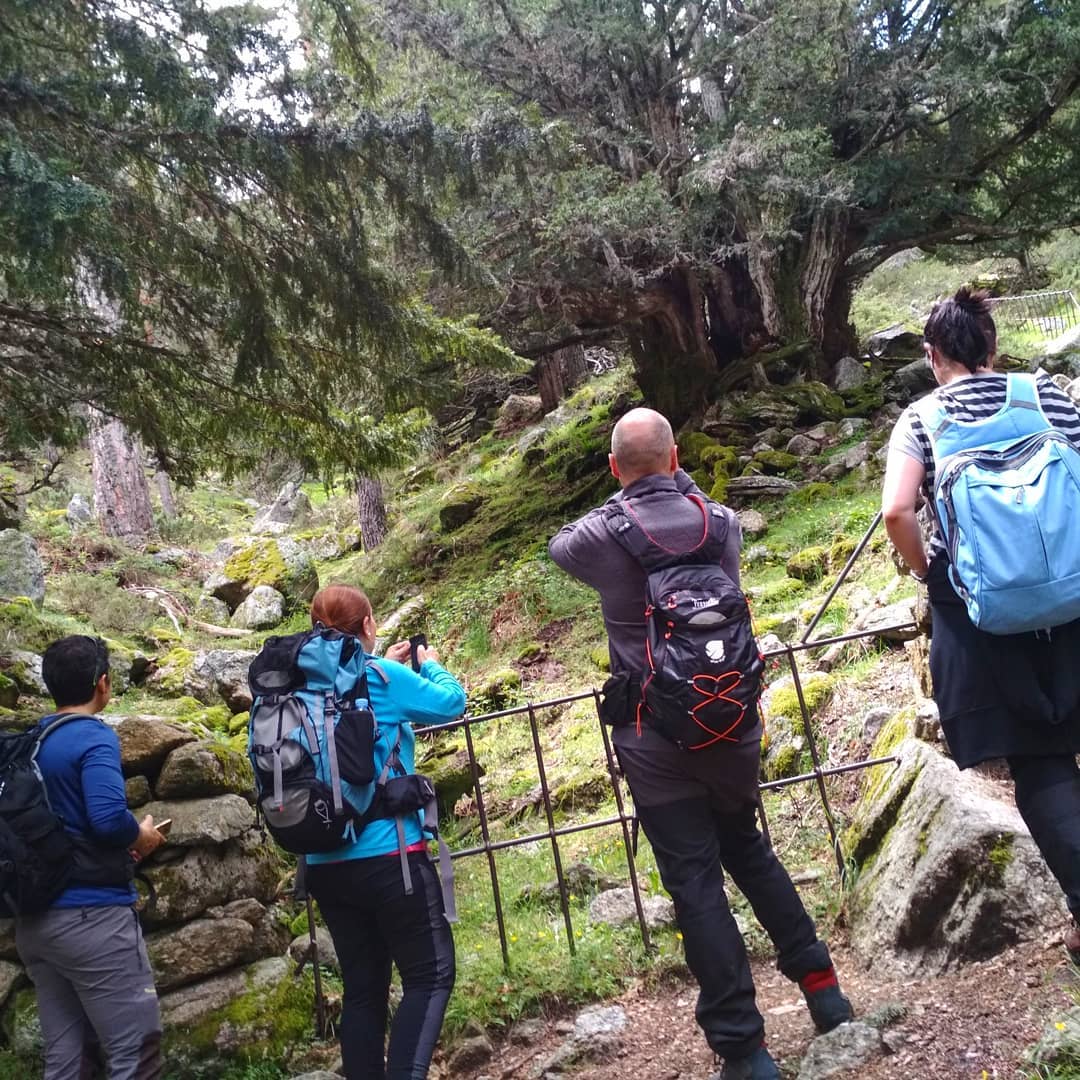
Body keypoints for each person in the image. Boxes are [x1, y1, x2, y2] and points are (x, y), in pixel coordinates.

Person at [549, 408, 851, 1080]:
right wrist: (675, 481)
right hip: (732, 725)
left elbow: (558, 545)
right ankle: (822, 988)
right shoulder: (722, 521)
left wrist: (625, 494)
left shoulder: (601, 535)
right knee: (749, 850)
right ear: (677, 456)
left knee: (694, 881)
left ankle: (745, 1050)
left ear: (613, 468)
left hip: (654, 740)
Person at [882, 286, 1080, 963]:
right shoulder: (1045, 394)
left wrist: (929, 573)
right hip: (1073, 596)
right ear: (993, 347)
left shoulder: (921, 419)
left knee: (1040, 762)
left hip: (983, 613)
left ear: (931, 354)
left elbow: (897, 512)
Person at [301, 584, 465, 1080]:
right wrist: (429, 665)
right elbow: (452, 703)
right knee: (430, 976)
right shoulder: (381, 677)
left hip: (323, 864)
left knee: (363, 991)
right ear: (368, 625)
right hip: (391, 859)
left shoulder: (291, 688)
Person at [15, 635, 166, 1080]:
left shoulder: (30, 742)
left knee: (68, 1060)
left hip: (35, 922)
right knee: (135, 1055)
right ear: (103, 683)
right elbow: (106, 819)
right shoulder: (93, 737)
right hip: (92, 919)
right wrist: (141, 834)